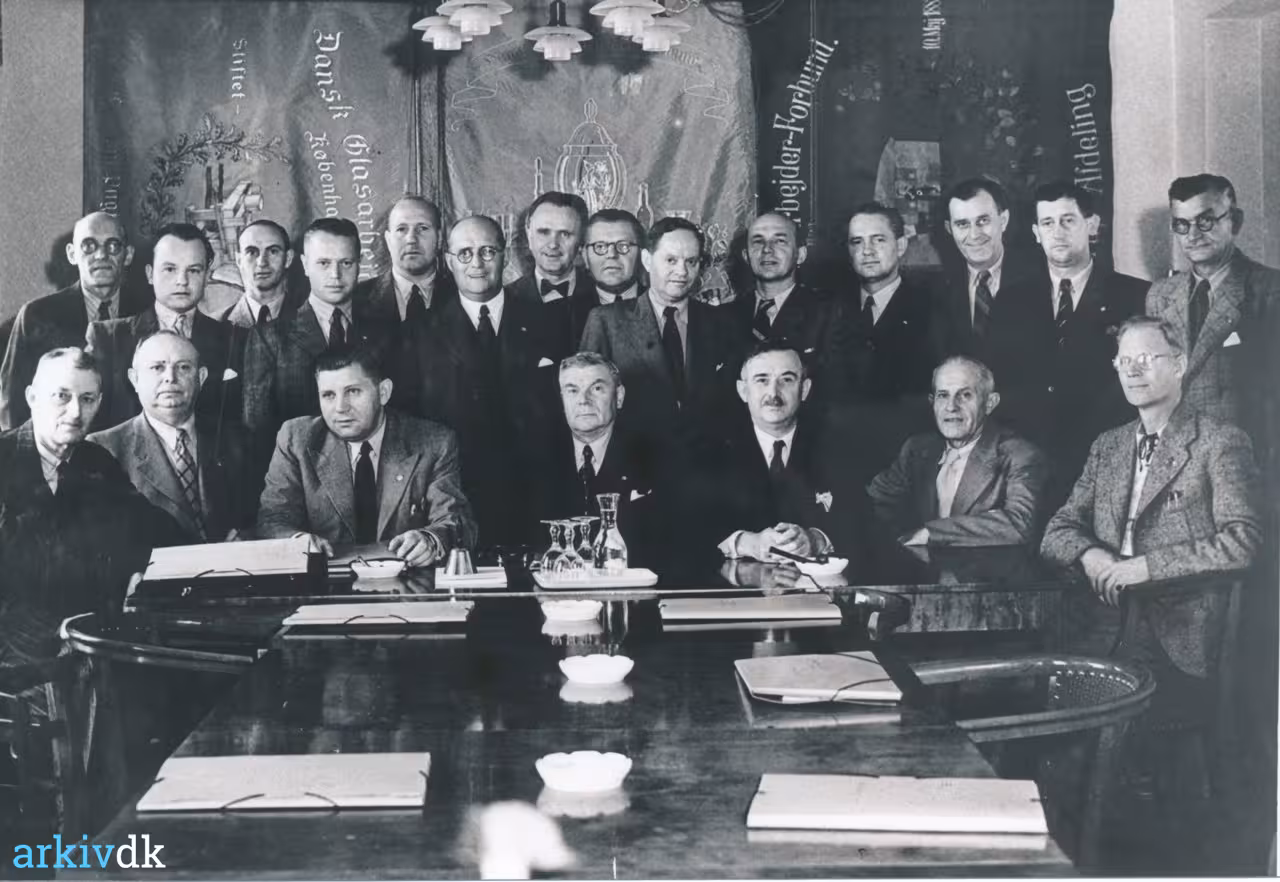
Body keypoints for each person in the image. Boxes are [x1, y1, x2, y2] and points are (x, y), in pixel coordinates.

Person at [1041, 316, 1263, 678]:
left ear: (1179, 365)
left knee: (1112, 707)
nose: (1132, 371)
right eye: (1124, 361)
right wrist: (1090, 555)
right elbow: (1057, 530)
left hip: (1176, 632)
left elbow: (1244, 542)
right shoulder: (1108, 445)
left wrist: (1146, 567)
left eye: (1145, 359)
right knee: (1043, 689)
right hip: (1099, 621)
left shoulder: (1219, 442)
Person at [0, 349, 181, 667]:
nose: (75, 412)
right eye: (61, 396)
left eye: (87, 399)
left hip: (86, 649)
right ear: (32, 397)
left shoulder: (96, 461)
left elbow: (152, 526)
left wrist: (145, 568)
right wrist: (56, 633)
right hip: (17, 656)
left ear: (99, 402)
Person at [400, 215, 561, 547]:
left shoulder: (550, 322)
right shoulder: (420, 331)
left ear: (506, 255)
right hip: (457, 500)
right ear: (448, 261)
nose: (477, 263)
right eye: (465, 253)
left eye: (488, 251)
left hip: (538, 496)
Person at [984, 182, 1148, 492]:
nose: (1057, 232)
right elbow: (999, 380)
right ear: (1036, 233)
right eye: (1047, 223)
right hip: (1028, 466)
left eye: (1068, 220)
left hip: (1107, 463)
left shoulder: (1135, 296)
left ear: (1092, 225)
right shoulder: (1010, 300)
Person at [256, 346, 475, 566]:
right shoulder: (296, 439)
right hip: (325, 581)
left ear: (383, 392)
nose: (340, 408)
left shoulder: (433, 442)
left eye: (353, 391)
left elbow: (457, 521)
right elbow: (272, 519)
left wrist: (430, 540)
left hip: (406, 581)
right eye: (328, 395)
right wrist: (297, 541)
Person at [1145, 173, 1280, 479]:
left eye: (1205, 221)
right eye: (1182, 224)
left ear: (1235, 221)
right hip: (1176, 464)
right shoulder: (1160, 296)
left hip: (1250, 463)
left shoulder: (1269, 291)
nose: (1193, 235)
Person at [580, 217, 744, 452]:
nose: (682, 271)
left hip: (706, 462)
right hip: (634, 460)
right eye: (670, 260)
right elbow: (589, 401)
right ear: (647, 260)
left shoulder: (721, 323)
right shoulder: (606, 321)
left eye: (691, 261)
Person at [88, 331, 255, 544]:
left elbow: (262, 516)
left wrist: (247, 536)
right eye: (157, 368)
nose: (170, 377)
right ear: (135, 379)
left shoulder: (238, 439)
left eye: (183, 367)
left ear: (201, 377)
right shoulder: (101, 448)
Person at [867, 356, 1051, 547]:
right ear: (932, 402)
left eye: (965, 395)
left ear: (989, 403)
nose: (951, 407)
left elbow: (1019, 524)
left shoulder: (1020, 455)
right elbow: (874, 501)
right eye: (943, 395)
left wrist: (930, 533)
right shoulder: (918, 449)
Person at [702, 342, 863, 561]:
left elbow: (861, 520)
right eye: (762, 380)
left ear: (804, 389)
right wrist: (746, 543)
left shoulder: (838, 446)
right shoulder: (710, 449)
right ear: (743, 390)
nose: (773, 393)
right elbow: (685, 522)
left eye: (786, 380)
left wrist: (815, 540)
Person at [85, 222, 243, 432]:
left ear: (206, 277)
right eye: (170, 269)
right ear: (150, 274)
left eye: (194, 270)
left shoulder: (234, 338)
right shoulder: (108, 338)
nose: (182, 281)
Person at [242, 217, 393, 436]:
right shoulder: (269, 337)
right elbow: (257, 427)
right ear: (305, 265)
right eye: (324, 263)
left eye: (346, 263)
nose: (335, 275)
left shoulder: (384, 329)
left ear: (359, 263)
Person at [0, 212, 150, 430]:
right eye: (89, 246)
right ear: (72, 254)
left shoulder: (147, 310)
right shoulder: (37, 315)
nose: (101, 255)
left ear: (128, 255)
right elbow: (11, 404)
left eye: (113, 246)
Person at [530, 351, 664, 557]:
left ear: (619, 397)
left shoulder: (654, 456)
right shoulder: (534, 459)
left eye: (597, 388)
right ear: (562, 400)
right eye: (572, 390)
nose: (584, 400)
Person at [730, 212, 839, 393]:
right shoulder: (725, 316)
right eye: (758, 241)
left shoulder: (829, 313)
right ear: (746, 256)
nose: (767, 249)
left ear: (800, 255)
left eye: (780, 241)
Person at [936, 177, 1038, 358]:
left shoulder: (1041, 277)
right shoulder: (938, 290)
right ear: (949, 229)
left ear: (1003, 220)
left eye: (983, 221)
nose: (974, 235)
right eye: (962, 224)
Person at [509, 192, 595, 355]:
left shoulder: (601, 298)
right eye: (544, 232)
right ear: (528, 234)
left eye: (565, 234)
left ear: (581, 240)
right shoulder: (504, 301)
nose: (553, 244)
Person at [356, 196, 457, 329]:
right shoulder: (356, 300)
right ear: (388, 240)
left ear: (439, 239)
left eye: (423, 228)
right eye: (401, 229)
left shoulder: (461, 295)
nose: (411, 239)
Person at [219, 219, 307, 327]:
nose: (262, 262)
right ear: (239, 260)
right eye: (251, 252)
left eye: (273, 251)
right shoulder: (216, 326)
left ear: (288, 258)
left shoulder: (313, 322)